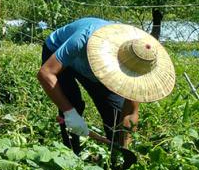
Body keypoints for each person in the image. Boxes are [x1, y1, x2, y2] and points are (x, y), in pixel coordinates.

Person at [37, 17, 174, 155]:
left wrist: (125, 147)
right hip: (57, 52)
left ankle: (116, 157)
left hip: (88, 65)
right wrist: (70, 112)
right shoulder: (83, 39)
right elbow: (46, 73)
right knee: (72, 103)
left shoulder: (138, 62)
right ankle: (70, 155)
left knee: (115, 113)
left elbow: (131, 113)